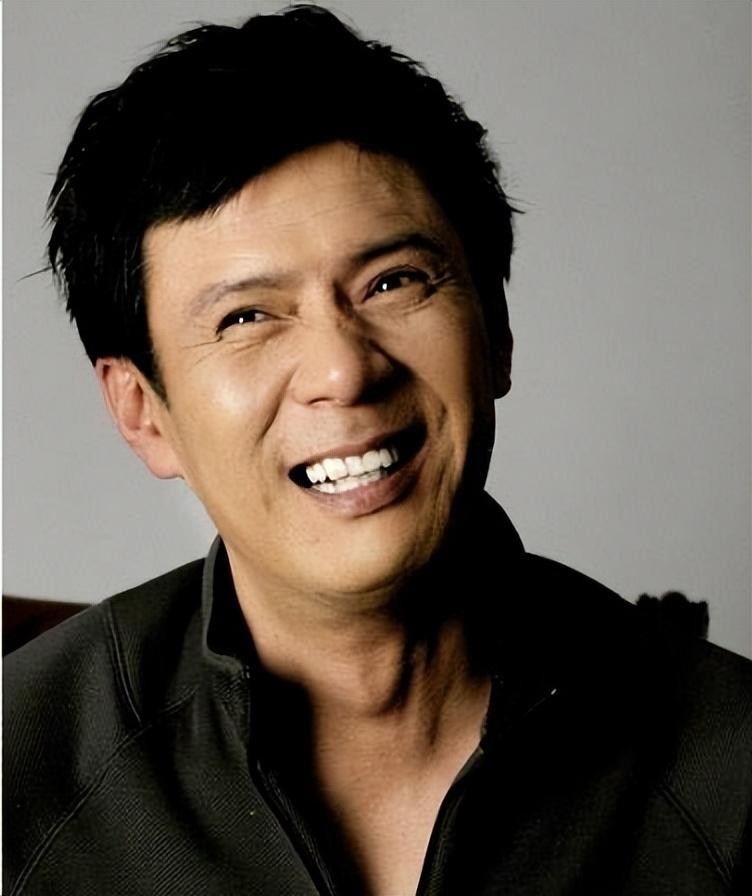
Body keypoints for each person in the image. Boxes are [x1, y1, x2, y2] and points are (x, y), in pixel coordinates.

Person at [4, 6, 751, 895]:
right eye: (246, 318)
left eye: (393, 282)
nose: (343, 370)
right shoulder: (22, 782)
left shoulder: (733, 774)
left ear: (496, 330)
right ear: (143, 413)